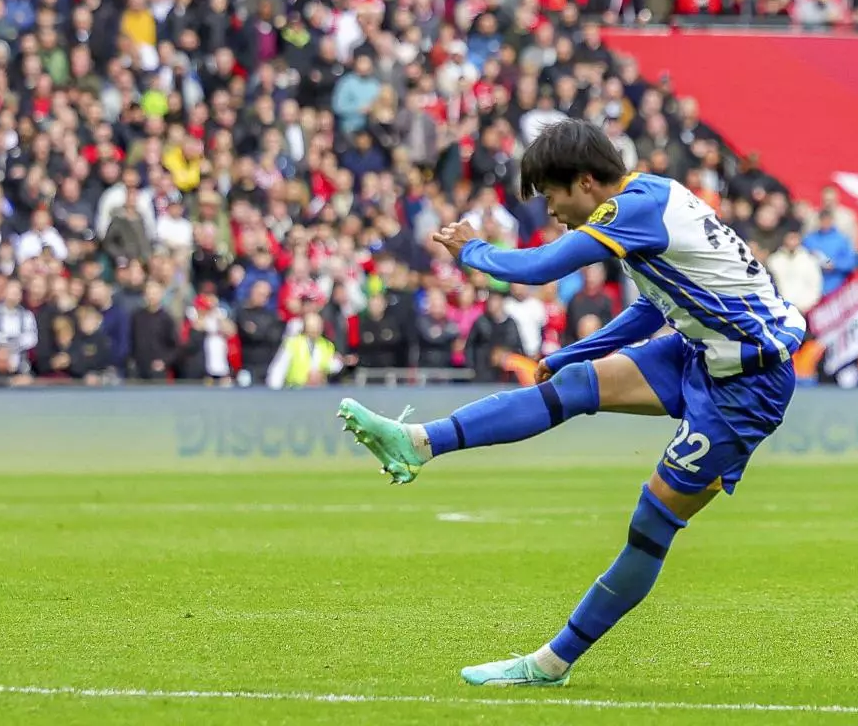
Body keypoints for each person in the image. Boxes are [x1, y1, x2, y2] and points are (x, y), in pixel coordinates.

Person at [337, 120, 805, 687]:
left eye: (553, 196)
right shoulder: (653, 196)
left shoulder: (627, 211)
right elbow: (657, 307)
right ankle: (417, 443)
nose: (551, 210)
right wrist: (577, 350)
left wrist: (472, 251)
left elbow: (540, 267)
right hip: (702, 351)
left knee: (650, 526)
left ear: (586, 181)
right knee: (576, 383)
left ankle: (551, 664)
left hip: (747, 385)